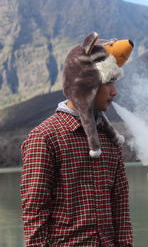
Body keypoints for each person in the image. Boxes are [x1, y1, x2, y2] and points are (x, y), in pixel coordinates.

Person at [20, 33, 134, 246]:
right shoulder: (44, 138)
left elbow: (120, 208)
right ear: (86, 83)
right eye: (108, 82)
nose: (114, 92)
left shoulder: (110, 141)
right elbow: (35, 213)